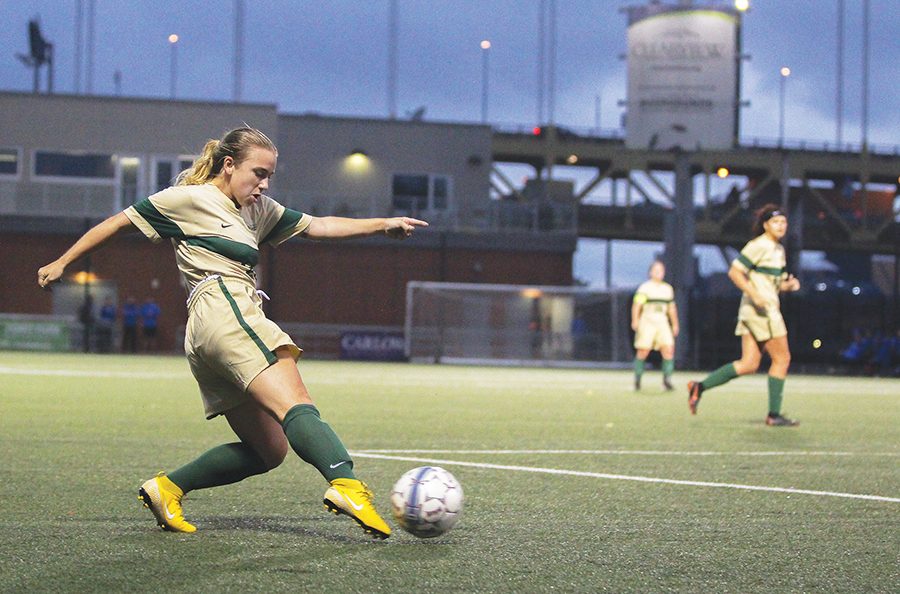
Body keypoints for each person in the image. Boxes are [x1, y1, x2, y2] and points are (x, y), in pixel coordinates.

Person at [37, 126, 427, 539]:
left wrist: (383, 223)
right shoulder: (189, 199)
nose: (264, 184)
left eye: (269, 176)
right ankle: (346, 484)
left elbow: (320, 225)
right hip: (225, 308)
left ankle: (167, 488)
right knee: (297, 405)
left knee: (268, 450)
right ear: (228, 165)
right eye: (258, 173)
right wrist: (63, 262)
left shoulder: (257, 209)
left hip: (208, 329)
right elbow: (118, 222)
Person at [687, 204, 801, 426]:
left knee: (748, 364)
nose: (781, 226)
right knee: (782, 358)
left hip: (756, 310)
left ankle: (699, 387)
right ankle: (774, 415)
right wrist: (754, 295)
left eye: (784, 222)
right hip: (762, 310)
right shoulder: (758, 245)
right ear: (766, 225)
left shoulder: (778, 250)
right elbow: (735, 272)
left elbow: (772, 285)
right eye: (776, 222)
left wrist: (788, 286)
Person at [631, 260, 679, 391]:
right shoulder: (645, 288)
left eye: (661, 270)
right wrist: (635, 320)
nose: (659, 273)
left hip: (662, 322)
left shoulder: (667, 289)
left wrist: (675, 324)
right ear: (650, 272)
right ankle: (637, 380)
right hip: (647, 321)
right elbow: (637, 305)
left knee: (668, 349)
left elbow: (671, 308)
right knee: (643, 350)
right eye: (656, 270)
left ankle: (667, 381)